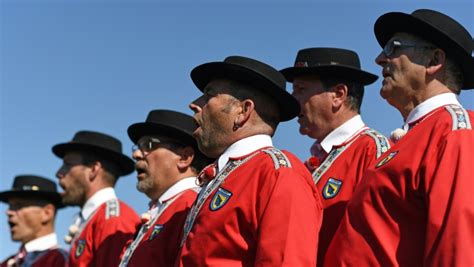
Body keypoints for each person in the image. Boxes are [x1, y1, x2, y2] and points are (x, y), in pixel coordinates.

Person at [325, 9, 474, 266]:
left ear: (434, 61)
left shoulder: (454, 130)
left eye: (394, 48)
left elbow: (457, 246)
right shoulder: (421, 132)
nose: (380, 59)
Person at [177, 55, 323, 266]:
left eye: (208, 95)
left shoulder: (278, 173)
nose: (194, 104)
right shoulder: (226, 175)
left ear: (243, 111)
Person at [280, 47, 391, 265]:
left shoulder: (372, 150)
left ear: (339, 95)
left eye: (300, 89)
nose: (293, 102)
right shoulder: (315, 159)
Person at [118, 109, 212, 266]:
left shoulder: (194, 206)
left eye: (149, 145)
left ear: (184, 157)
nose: (137, 155)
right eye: (137, 147)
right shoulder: (167, 207)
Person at [53, 130, 140, 267]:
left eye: (68, 165)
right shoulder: (96, 218)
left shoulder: (114, 220)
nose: (59, 173)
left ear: (93, 169)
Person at [0, 175, 68, 267]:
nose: (9, 212)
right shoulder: (7, 263)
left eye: (19, 205)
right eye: (10, 206)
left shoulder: (61, 261)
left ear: (47, 213)